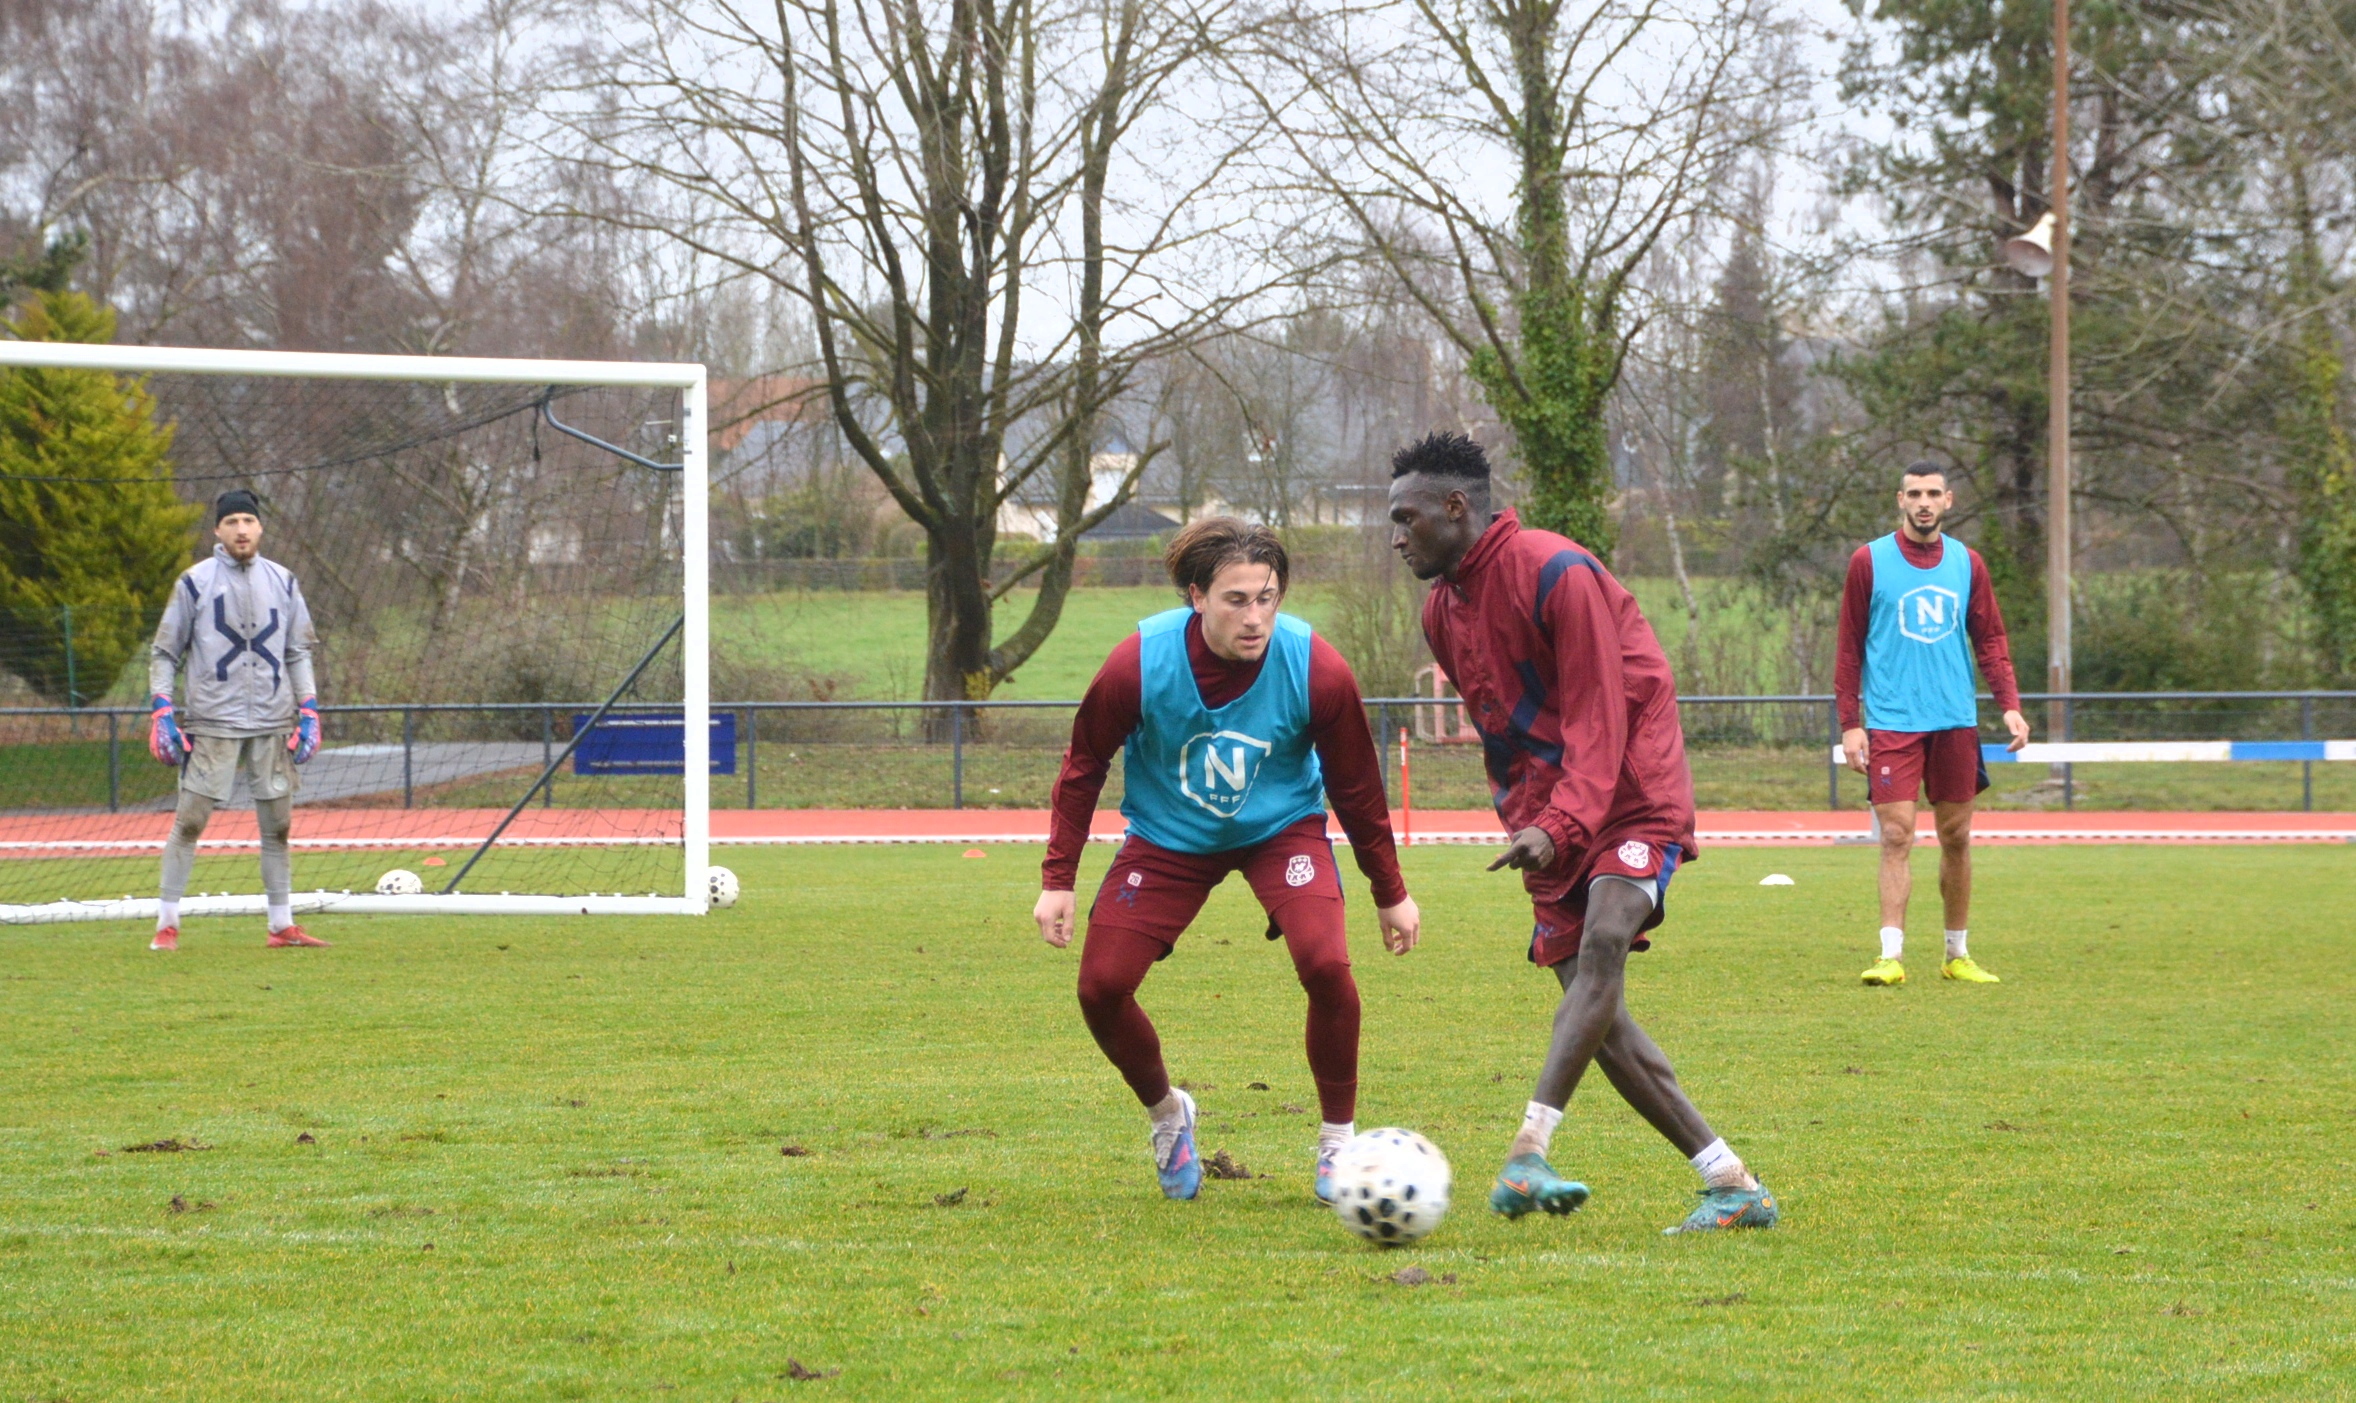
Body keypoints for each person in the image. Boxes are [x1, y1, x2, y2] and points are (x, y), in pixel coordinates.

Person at [1387, 431, 1775, 1235]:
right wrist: (1534, 825)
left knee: (1602, 945)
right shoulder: (1439, 611)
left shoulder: (1556, 570)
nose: (1397, 536)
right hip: (1552, 817)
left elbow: (1603, 710)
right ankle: (1731, 1182)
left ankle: (1529, 1148)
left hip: (1633, 789)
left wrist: (1563, 822)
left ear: (1456, 508)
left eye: (1407, 517)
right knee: (1592, 1012)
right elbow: (1504, 731)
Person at [1033, 517, 1421, 1202]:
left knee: (1326, 962)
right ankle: (1168, 1114)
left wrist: (1390, 890)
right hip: (1168, 837)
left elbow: (1357, 786)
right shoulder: (1138, 663)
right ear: (1195, 596)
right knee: (1100, 988)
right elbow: (1084, 762)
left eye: (1267, 596)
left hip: (1282, 830)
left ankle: (1337, 1144)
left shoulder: (1315, 665)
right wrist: (1057, 878)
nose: (1255, 615)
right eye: (1236, 599)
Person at [1835, 462, 2030, 987]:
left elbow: (1990, 639)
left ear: (1949, 500)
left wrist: (2008, 702)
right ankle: (1890, 956)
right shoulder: (1868, 562)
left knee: (1957, 836)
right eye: (1914, 493)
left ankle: (1956, 953)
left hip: (1955, 720)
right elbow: (1849, 647)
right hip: (1894, 722)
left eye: (1933, 494)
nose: (1923, 502)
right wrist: (1850, 723)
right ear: (1900, 499)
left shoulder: (1968, 564)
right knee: (1896, 835)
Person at [146, 489, 327, 951]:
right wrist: (162, 709)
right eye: (232, 522)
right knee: (190, 822)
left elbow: (297, 651)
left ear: (261, 527)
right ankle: (167, 925)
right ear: (217, 531)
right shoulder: (193, 582)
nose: (241, 529)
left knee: (279, 828)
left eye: (249, 520)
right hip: (213, 723)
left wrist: (308, 709)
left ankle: (281, 926)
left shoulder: (284, 581)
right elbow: (165, 651)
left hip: (273, 721)